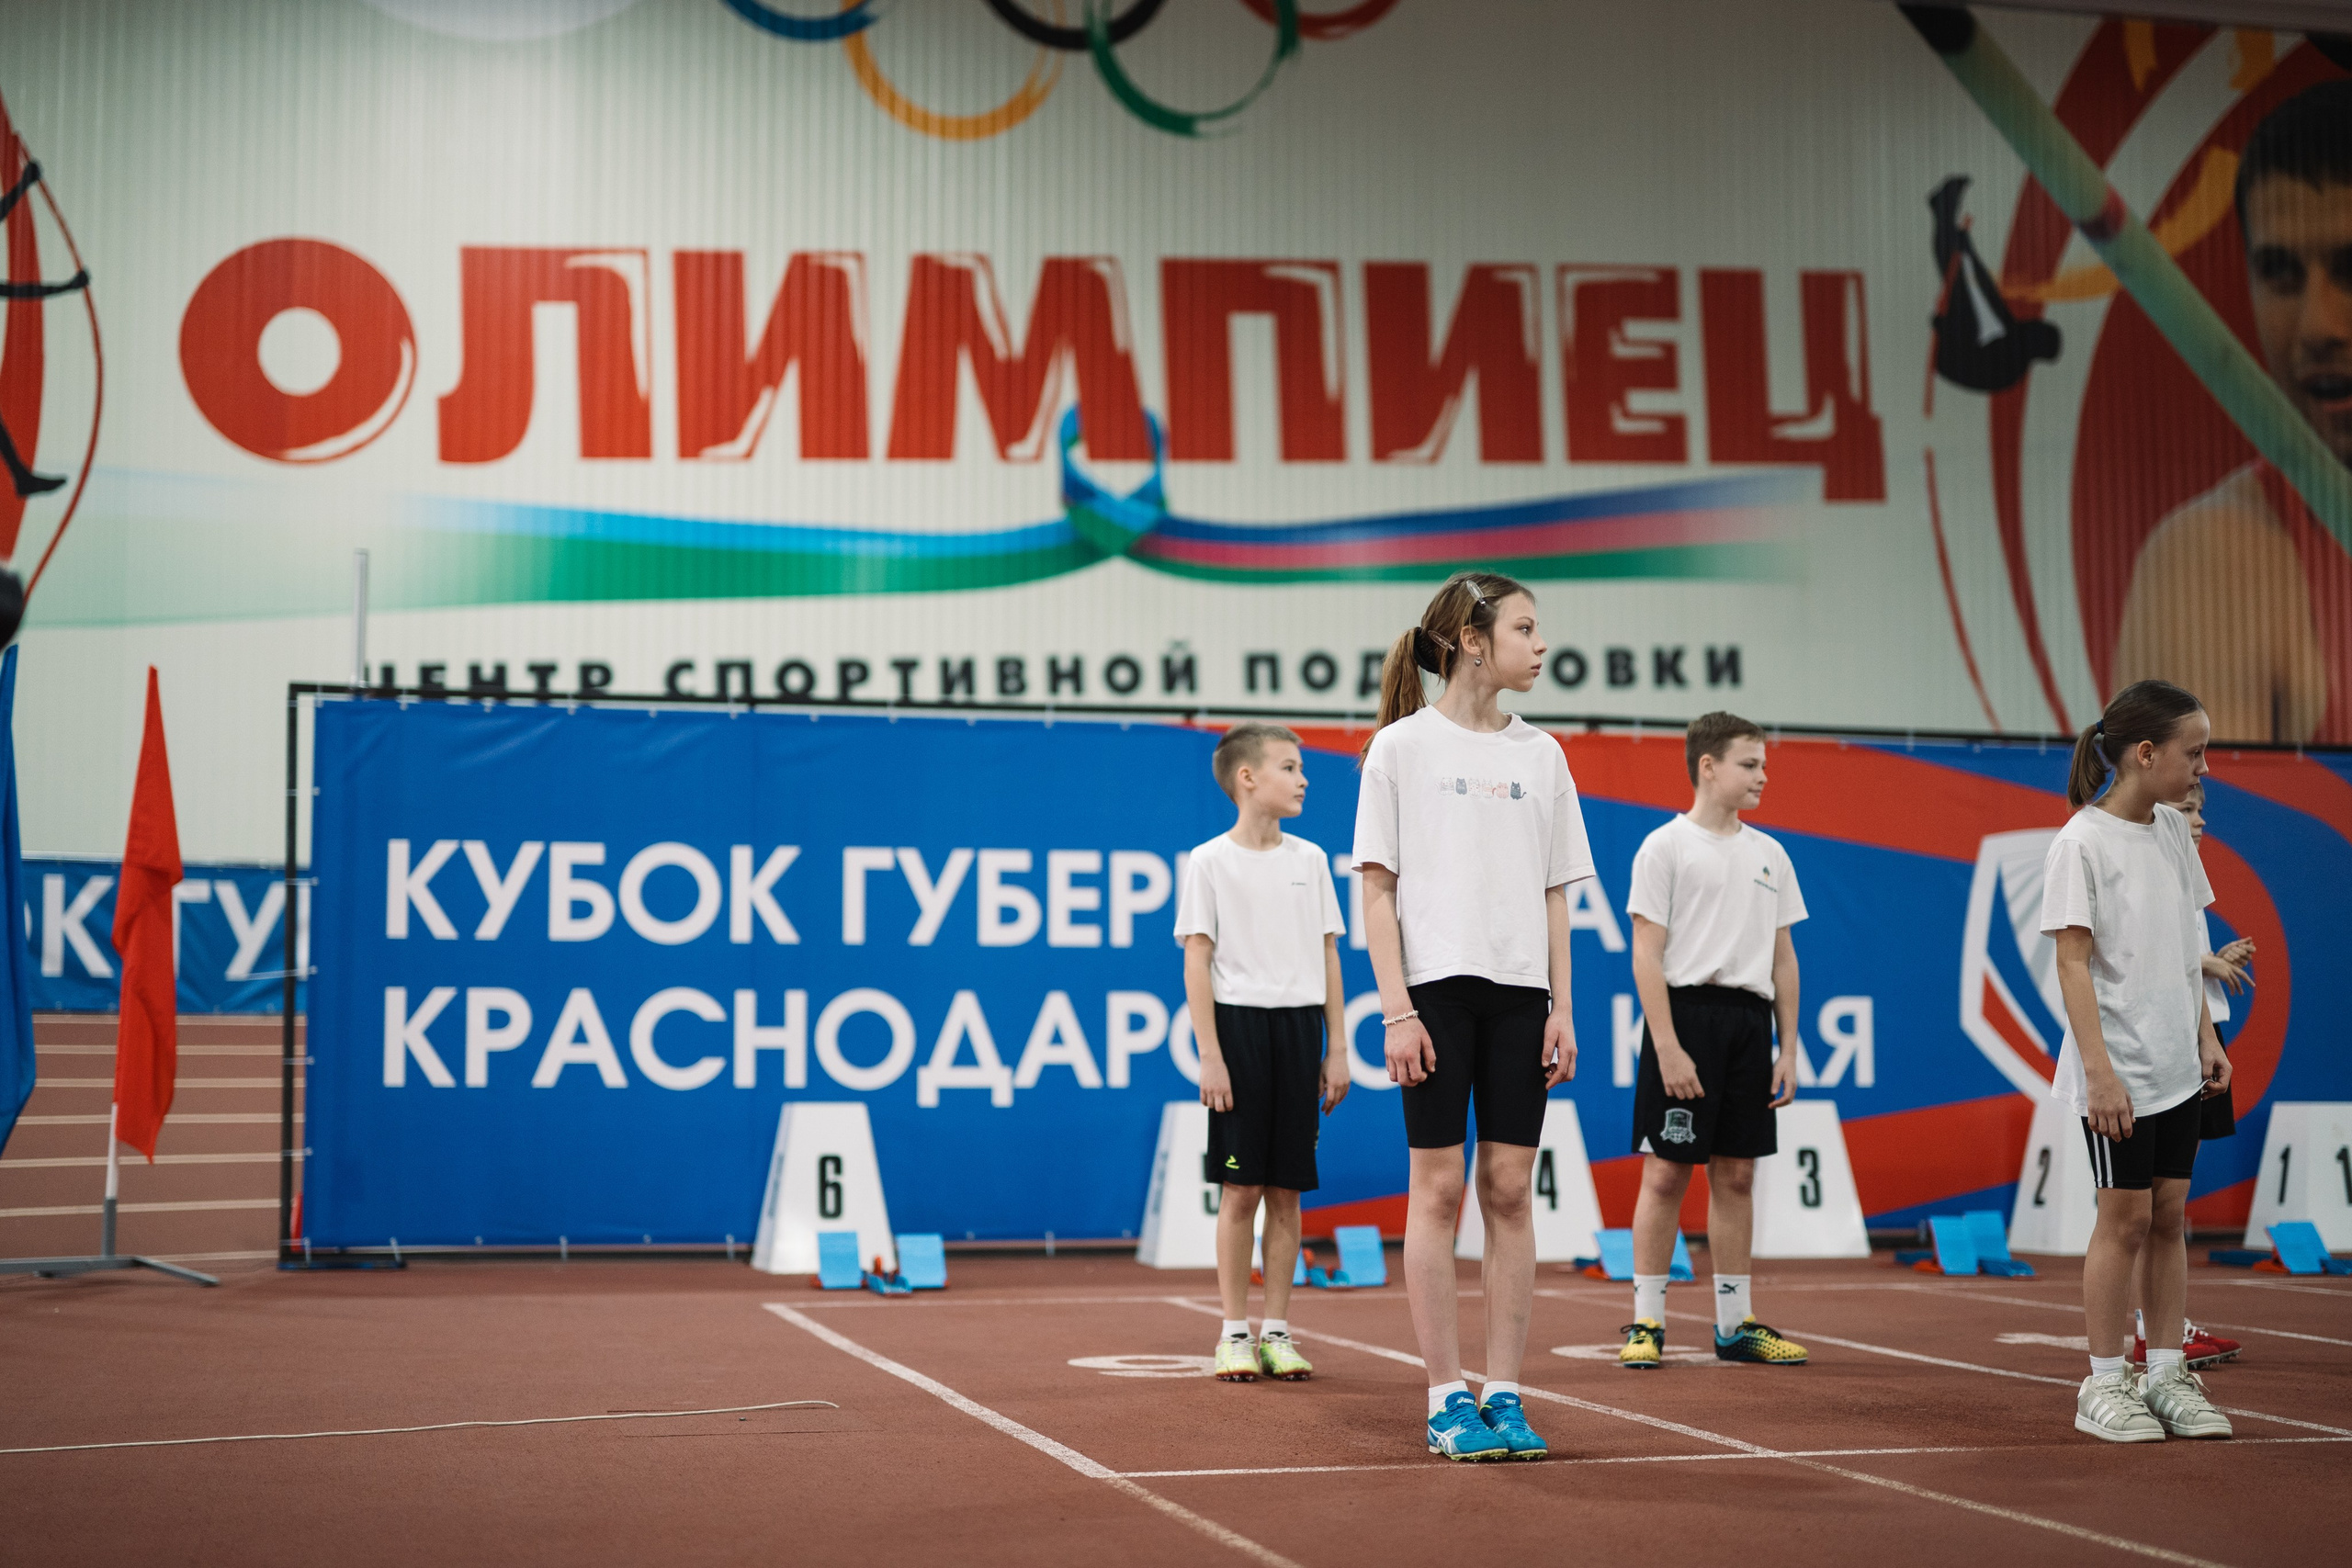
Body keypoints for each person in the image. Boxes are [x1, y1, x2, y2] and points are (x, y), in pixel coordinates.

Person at [1352, 572, 1592, 1461]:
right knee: (1440, 1190)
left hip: (1520, 996)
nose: (1540, 644)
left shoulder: (1544, 756)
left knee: (1507, 1191)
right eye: (1525, 627)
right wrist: (1395, 1013)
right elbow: (1377, 893)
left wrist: (1561, 1006)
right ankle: (1444, 1396)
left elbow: (1557, 897)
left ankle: (1508, 1393)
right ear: (1470, 640)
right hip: (1433, 995)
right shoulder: (1400, 749)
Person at [2115, 79, 2352, 743]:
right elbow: (2204, 848)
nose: (2318, 325)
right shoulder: (2211, 562)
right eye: (2280, 273)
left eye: (2351, 268)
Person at [2043, 679, 2234, 1443]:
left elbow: (2189, 947)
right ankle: (2102, 1384)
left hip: (2176, 1064)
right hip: (2116, 1067)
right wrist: (2099, 1070)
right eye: (2195, 752)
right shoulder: (2080, 842)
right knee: (2120, 1220)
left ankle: (2165, 1375)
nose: (2206, 768)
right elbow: (2071, 963)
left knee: (2167, 1217)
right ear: (2145, 753)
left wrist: (2206, 1038)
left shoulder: (2171, 832)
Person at [1618, 713, 1810, 1371]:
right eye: (1750, 763)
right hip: (1685, 1016)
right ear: (1709, 766)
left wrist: (1788, 1047)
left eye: (1763, 764)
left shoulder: (1770, 853)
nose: (1763, 775)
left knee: (1737, 1172)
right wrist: (1667, 1045)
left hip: (1750, 1023)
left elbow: (1784, 957)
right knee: (1667, 1171)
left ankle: (1734, 1324)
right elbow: (1647, 953)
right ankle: (1646, 1320)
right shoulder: (1664, 847)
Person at [1175, 722, 1351, 1383]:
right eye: (1289, 765)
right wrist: (1211, 1054)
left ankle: (1277, 1330)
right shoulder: (1210, 861)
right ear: (1247, 778)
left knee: (1287, 1189)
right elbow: (1198, 959)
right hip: (1240, 1032)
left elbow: (1329, 954)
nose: (1304, 777)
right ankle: (1233, 1333)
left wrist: (1336, 1048)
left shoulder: (1310, 860)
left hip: (1300, 1029)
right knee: (1241, 1186)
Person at [2130, 780, 2250, 1371]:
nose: (2197, 821)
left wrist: (2210, 961)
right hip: (2156, 1043)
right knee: (2143, 1207)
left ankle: (2166, 1328)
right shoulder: (2135, 862)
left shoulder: (2185, 872)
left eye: (2200, 812)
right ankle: (2145, 1328)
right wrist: (2205, 961)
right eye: (2185, 810)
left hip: (2196, 1037)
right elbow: (2156, 953)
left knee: (2171, 1202)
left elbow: (2185, 951)